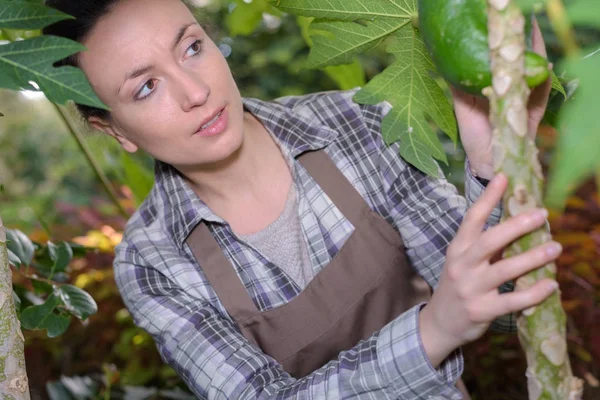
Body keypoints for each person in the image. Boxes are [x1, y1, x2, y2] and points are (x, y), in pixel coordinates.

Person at [43, 0, 557, 398]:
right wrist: (433, 329)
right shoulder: (152, 261)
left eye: (192, 47)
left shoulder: (352, 122)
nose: (194, 91)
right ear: (112, 130)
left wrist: (496, 164)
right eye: (146, 87)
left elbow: (506, 304)